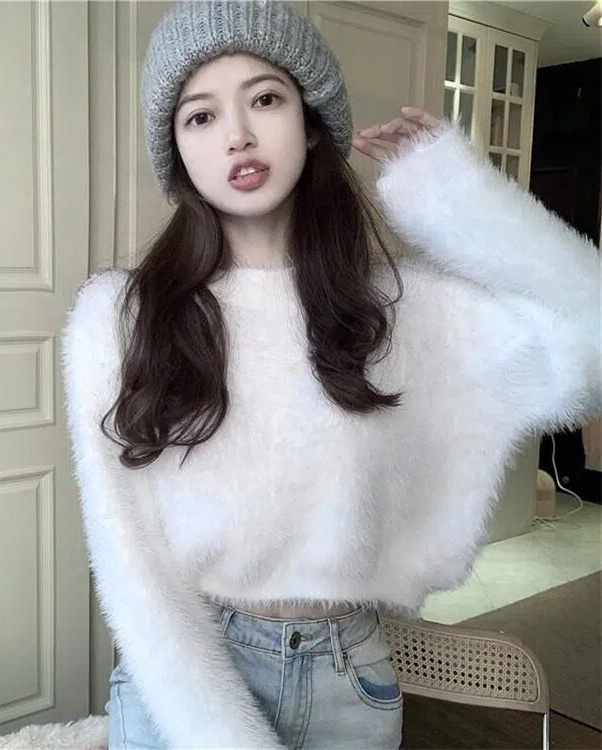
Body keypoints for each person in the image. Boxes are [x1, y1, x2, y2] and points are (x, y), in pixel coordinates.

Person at [60, 1, 601, 748]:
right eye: (200, 117)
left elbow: (590, 337)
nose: (238, 135)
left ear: (310, 122)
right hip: (190, 677)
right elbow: (130, 566)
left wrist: (454, 198)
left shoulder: (399, 314)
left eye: (265, 99)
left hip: (350, 678)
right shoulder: (122, 316)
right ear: (177, 150)